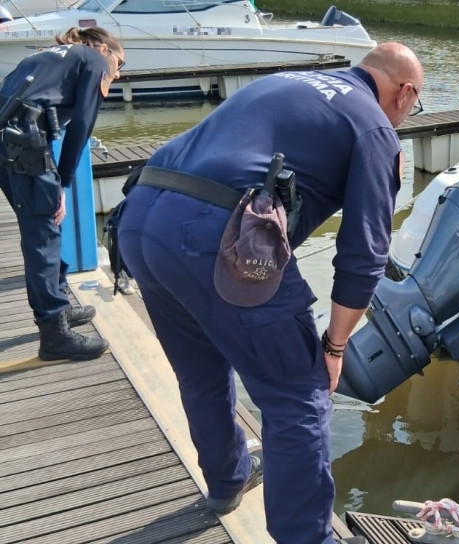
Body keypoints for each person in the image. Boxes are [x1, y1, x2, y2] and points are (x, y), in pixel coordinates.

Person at [117, 43, 423, 544]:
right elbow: (364, 253)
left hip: (142, 217)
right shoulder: (374, 125)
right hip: (215, 233)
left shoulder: (287, 80)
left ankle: (226, 482)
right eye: (414, 105)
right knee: (298, 396)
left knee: (200, 371)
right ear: (405, 92)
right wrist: (335, 347)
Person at [0, 27, 123, 361]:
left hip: (8, 143)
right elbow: (82, 124)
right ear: (102, 49)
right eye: (119, 62)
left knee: (44, 230)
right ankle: (54, 334)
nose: (118, 72)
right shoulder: (94, 60)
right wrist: (63, 185)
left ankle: (59, 303)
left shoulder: (41, 55)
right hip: (26, 148)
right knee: (43, 235)